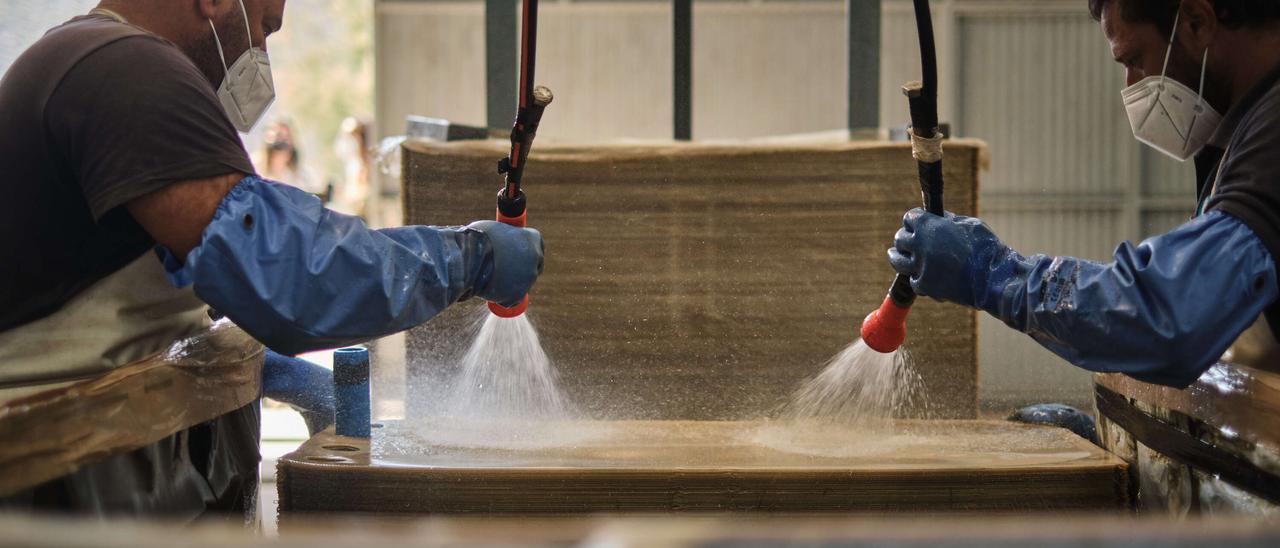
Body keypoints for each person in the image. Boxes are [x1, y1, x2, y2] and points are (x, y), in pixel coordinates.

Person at [0, 0, 543, 516]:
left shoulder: (88, 58)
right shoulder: (126, 70)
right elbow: (296, 277)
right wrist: (468, 258)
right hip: (59, 496)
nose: (259, 50)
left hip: (95, 483)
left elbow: (134, 285)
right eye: (263, 25)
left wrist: (255, 367)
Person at [888, 0, 1280, 388]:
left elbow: (1170, 317)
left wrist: (991, 272)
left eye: (1135, 60)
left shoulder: (1271, 135)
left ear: (1196, 22)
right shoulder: (1242, 134)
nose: (1130, 85)